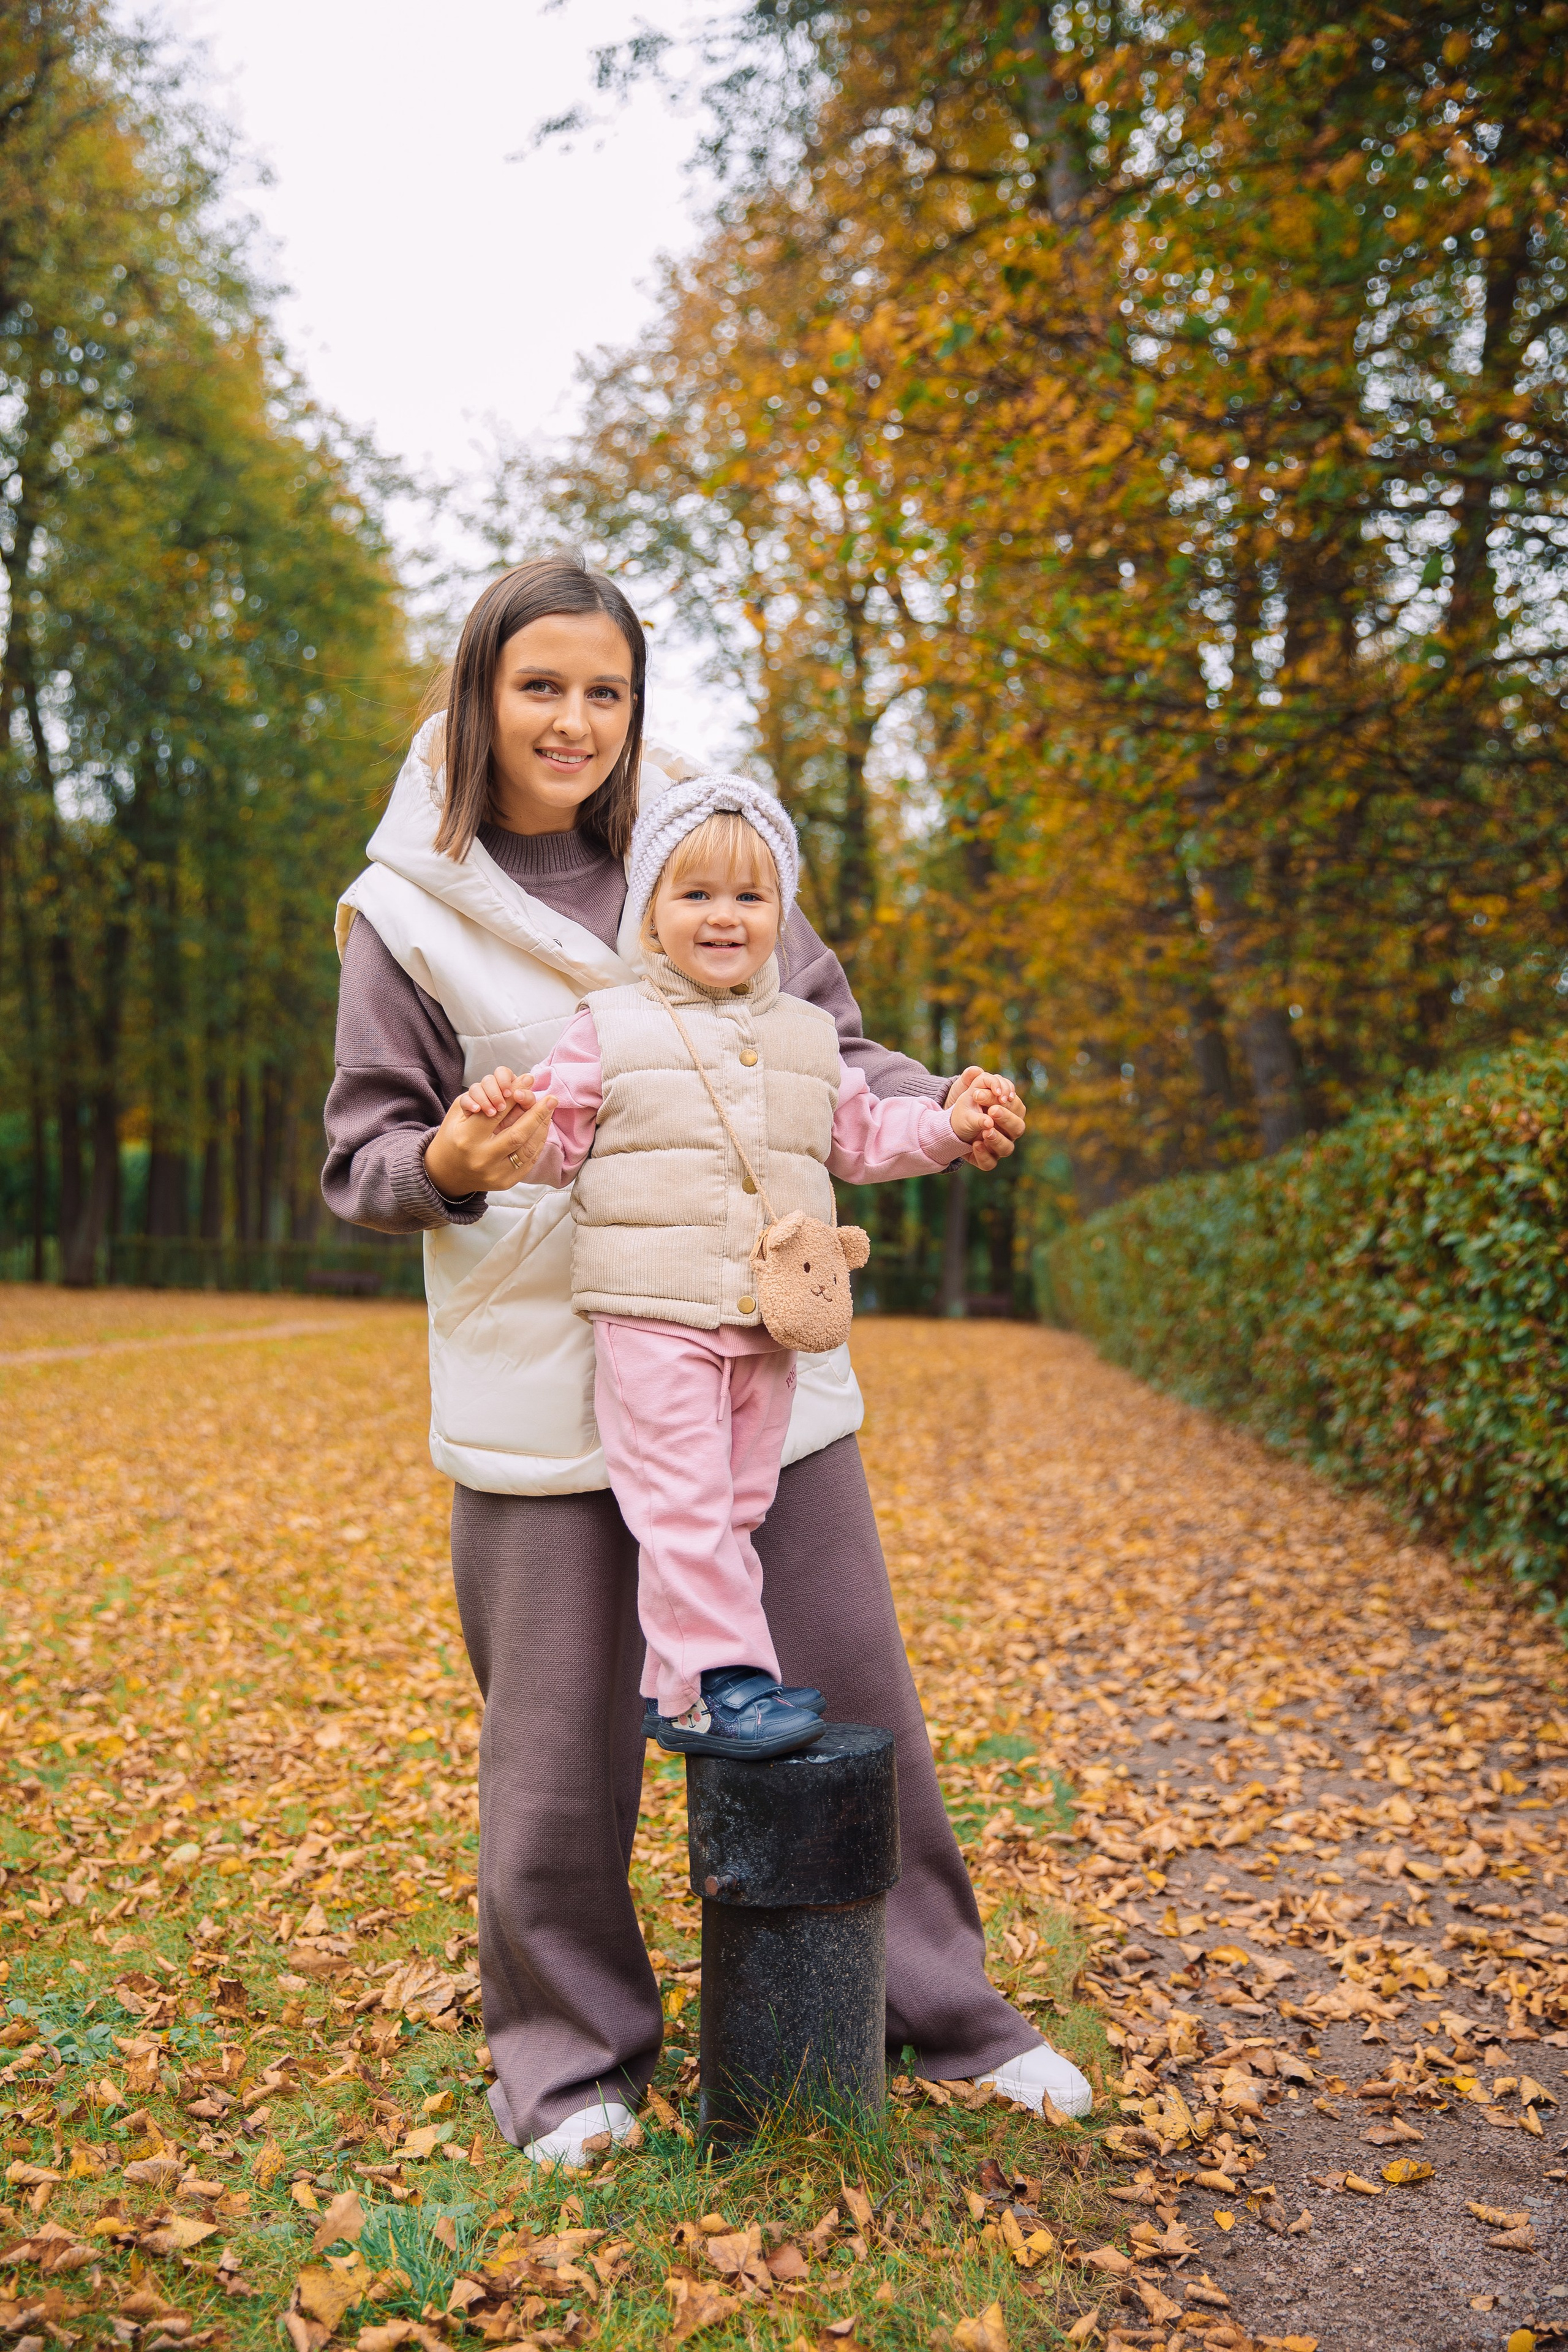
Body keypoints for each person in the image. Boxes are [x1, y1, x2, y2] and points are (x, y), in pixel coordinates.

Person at [322, 552, 1093, 2165]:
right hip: (544, 1373)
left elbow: (832, 1046)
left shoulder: (712, 845)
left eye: (606, 689)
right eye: (542, 685)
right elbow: (368, 1157)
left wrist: (939, 1103)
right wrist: (461, 1161)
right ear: (479, 695)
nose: (576, 720)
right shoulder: (408, 910)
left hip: (763, 1349)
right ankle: (570, 2062)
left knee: (854, 1689)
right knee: (558, 1753)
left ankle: (940, 2010)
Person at [451, 771, 1022, 1760]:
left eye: (751, 897)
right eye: (697, 895)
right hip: (652, 1313)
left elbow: (864, 1132)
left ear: (781, 913)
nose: (725, 918)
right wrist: (503, 1127)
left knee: (739, 1507)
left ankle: (679, 1694)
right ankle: (731, 1682)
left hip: (770, 1317)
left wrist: (946, 1122)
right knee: (680, 1505)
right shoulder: (610, 1026)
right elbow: (558, 1137)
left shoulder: (807, 1038)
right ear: (651, 915)